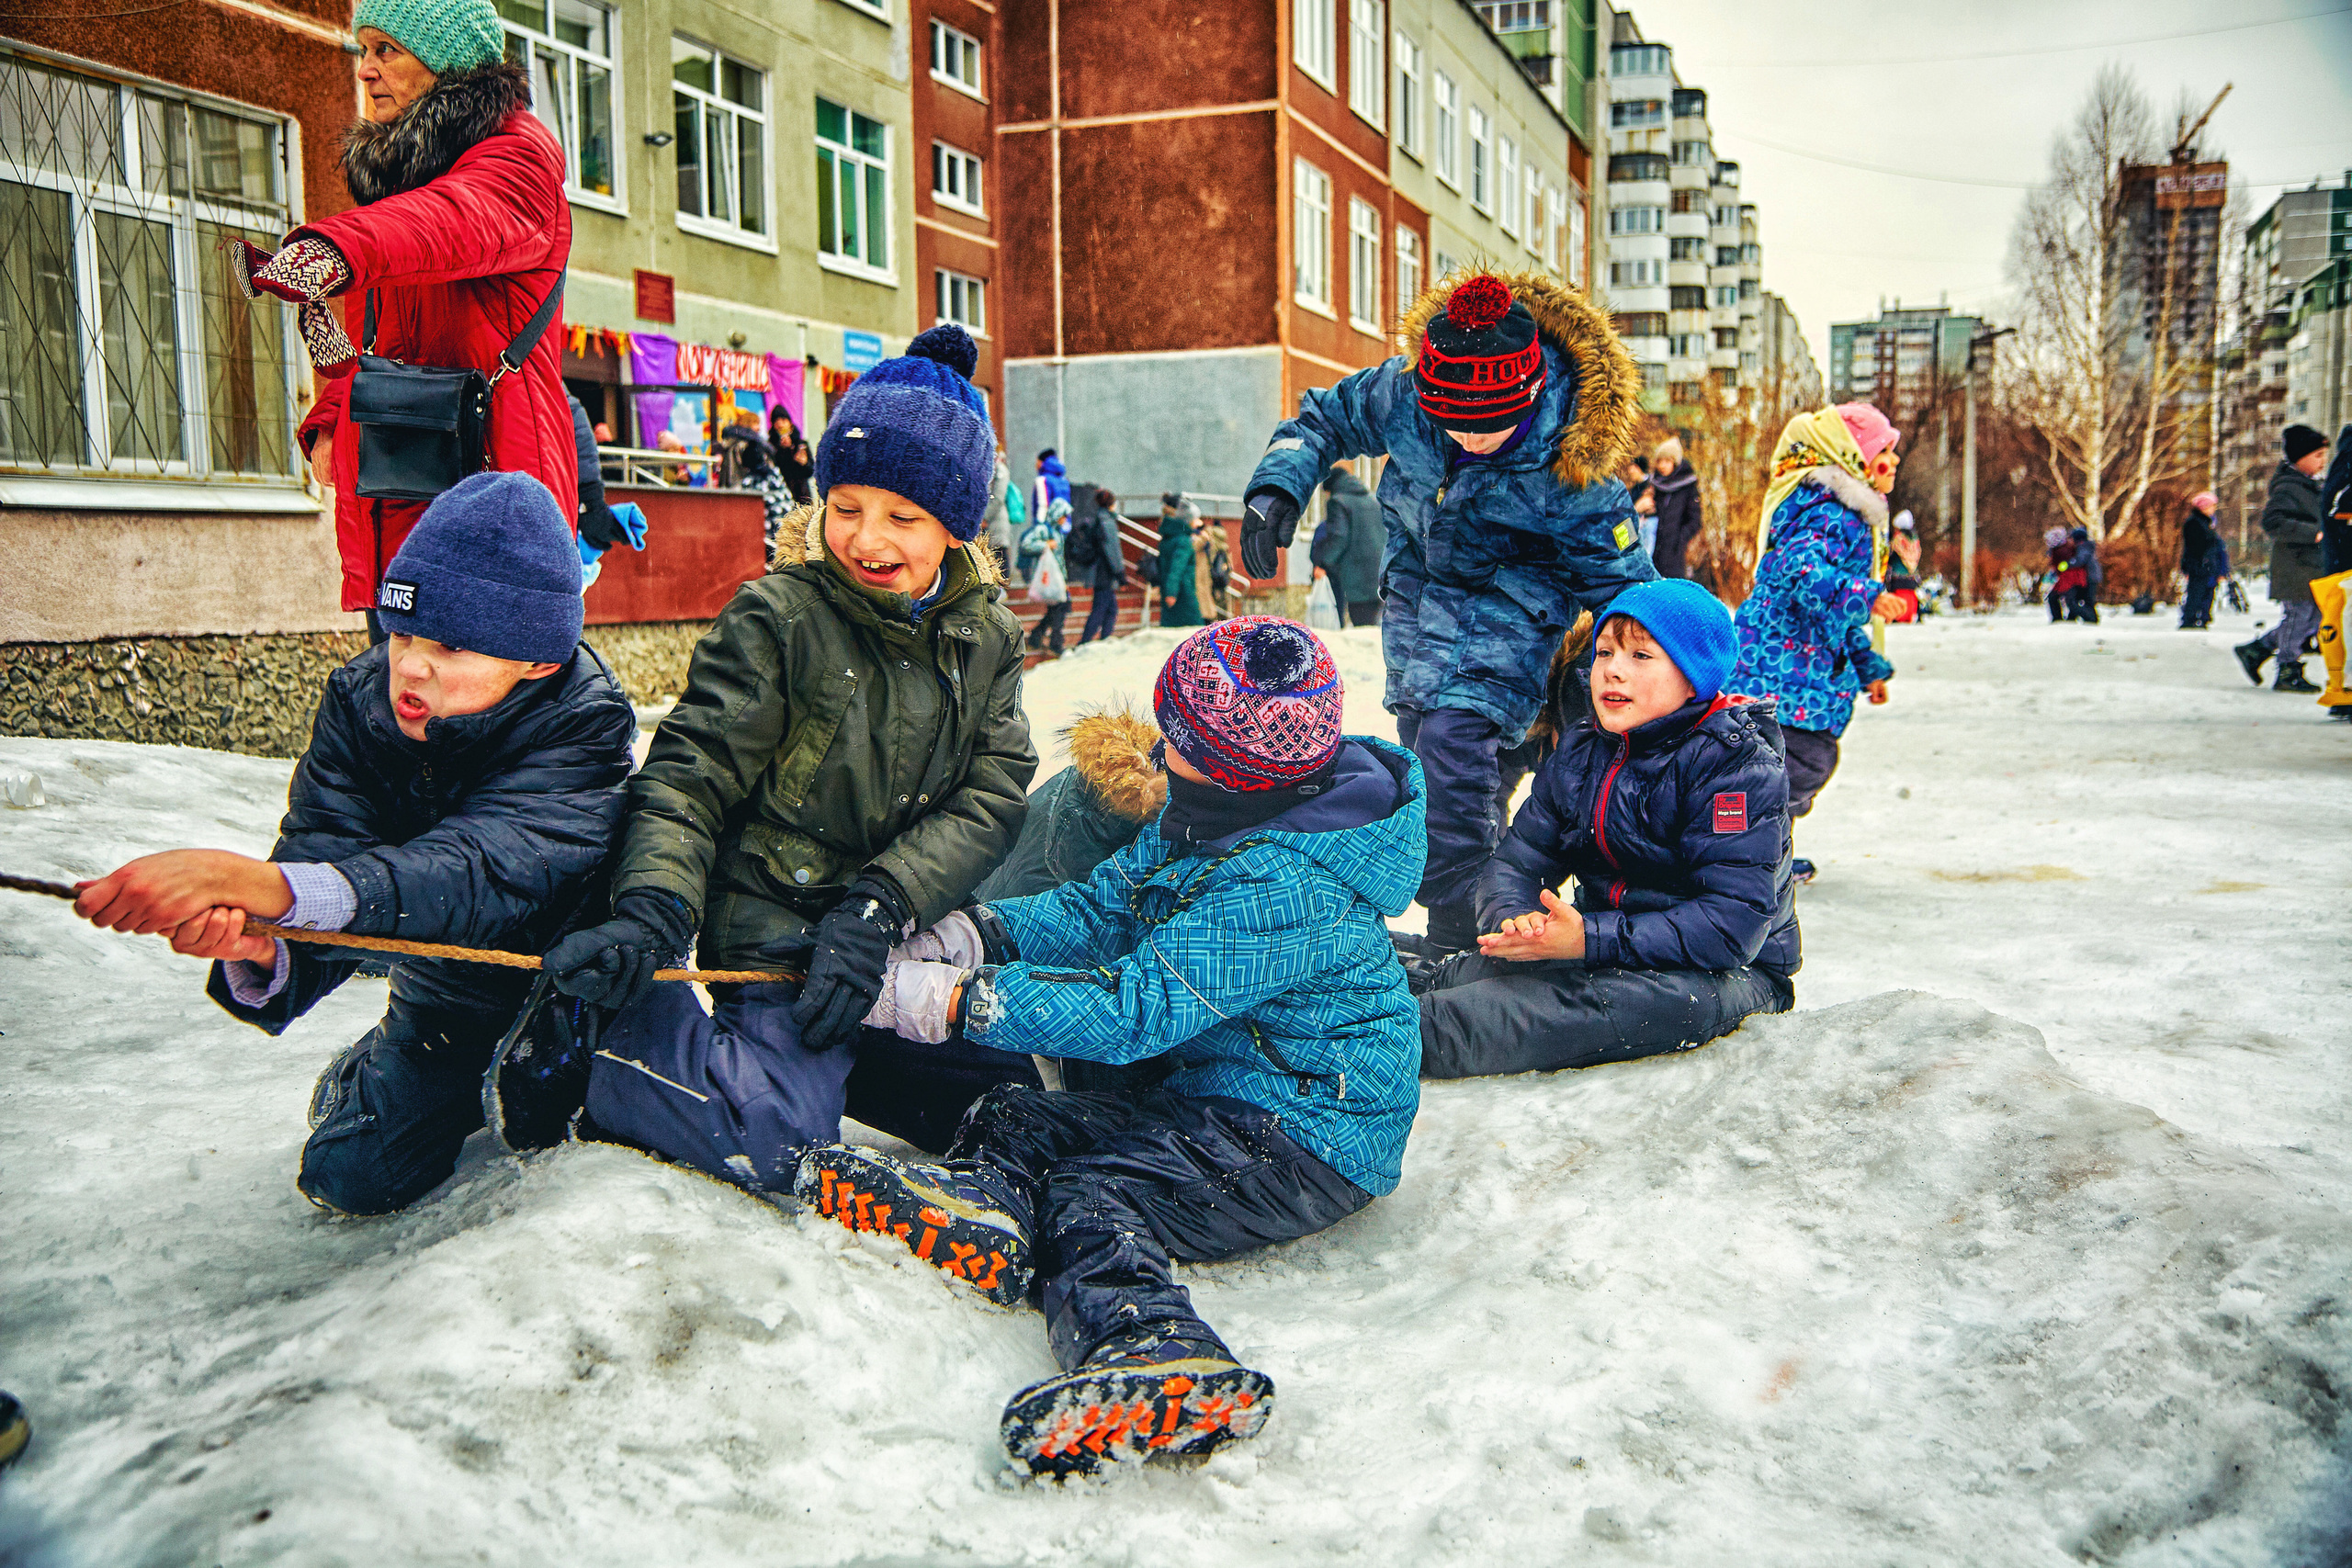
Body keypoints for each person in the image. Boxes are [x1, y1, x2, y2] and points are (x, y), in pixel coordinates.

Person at [788, 618, 1426, 1475]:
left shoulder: (1285, 882)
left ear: (1235, 765)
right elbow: (1097, 911)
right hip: (1221, 1093)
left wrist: (957, 1002)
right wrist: (977, 934)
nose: (1158, 746)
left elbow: (1135, 1010)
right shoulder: (1210, 814)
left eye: (1181, 736)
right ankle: (988, 1208)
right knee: (1021, 1115)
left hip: (1312, 1129)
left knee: (1099, 1194)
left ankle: (1159, 1351)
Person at [515, 326, 1041, 1186]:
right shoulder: (779, 619)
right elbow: (691, 776)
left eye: (903, 518)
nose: (868, 539)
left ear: (954, 526)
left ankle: (827, 1063)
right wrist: (653, 911)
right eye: (846, 507)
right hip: (775, 933)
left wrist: (882, 904)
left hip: (885, 941)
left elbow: (993, 792)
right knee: (771, 1138)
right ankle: (605, 1038)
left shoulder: (986, 635)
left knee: (1000, 1103)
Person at [70, 472, 636, 1214]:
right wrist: (265, 944)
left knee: (593, 1153)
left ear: (537, 660)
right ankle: (377, 1069)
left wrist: (267, 889)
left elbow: (483, 868)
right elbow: (321, 848)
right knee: (351, 1177)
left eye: (452, 646)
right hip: (450, 993)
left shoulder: (585, 724)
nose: (411, 665)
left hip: (582, 992)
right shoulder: (360, 705)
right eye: (401, 631)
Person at [1237, 271, 1650, 953]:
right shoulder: (1404, 394)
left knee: (1452, 749)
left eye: (1491, 424)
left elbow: (1627, 589)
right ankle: (1497, 892)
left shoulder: (1573, 468)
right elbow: (1322, 417)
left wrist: (1646, 674)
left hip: (1513, 613)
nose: (1471, 439)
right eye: (1454, 421)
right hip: (1417, 606)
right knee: (1436, 763)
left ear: (1531, 392)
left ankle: (1459, 929)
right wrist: (1280, 484)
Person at [247, 0, 573, 625]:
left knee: (483, 710)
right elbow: (386, 339)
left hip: (493, 496)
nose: (365, 71)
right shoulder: (399, 178)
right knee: (398, 702)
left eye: (386, 51)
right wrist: (332, 419)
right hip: (398, 500)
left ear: (444, 60)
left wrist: (334, 249)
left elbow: (450, 221)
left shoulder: (518, 158)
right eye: (361, 51)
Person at [1417, 580, 1795, 1077]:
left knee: (1609, 1004)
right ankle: (1356, 1004)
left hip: (1725, 973)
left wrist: (1588, 940)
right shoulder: (1582, 749)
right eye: (1604, 652)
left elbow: (1731, 926)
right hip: (1605, 945)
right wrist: (1516, 918)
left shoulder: (1735, 768)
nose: (1613, 669)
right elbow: (1516, 862)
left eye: (1641, 655)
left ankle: (1395, 1041)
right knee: (1467, 973)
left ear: (1693, 679)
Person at [1724, 402, 1906, 884]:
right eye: (1885, 452)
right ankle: (1743, 859)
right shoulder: (1827, 510)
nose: (1894, 463)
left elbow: (1831, 618)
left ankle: (1761, 855)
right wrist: (1867, 595)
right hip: (1780, 670)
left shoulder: (1850, 515)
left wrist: (1869, 668)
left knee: (1792, 767)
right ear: (1855, 458)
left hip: (1803, 674)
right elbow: (1799, 573)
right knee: (1794, 766)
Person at [2235, 425, 2328, 694]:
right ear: (2300, 457)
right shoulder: (2289, 487)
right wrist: (2314, 533)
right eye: (2318, 455)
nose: (2322, 461)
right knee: (2299, 617)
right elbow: (2272, 521)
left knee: (2311, 619)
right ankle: (2287, 669)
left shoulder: (2309, 486)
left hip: (2310, 565)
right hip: (2295, 565)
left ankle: (2256, 650)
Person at [1311, 464, 1385, 626]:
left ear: (1330, 488)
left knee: (1363, 628)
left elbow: (1339, 537)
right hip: (1379, 576)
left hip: (1357, 578)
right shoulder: (1373, 501)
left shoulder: (1338, 502)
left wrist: (1324, 564)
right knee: (1374, 629)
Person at [1073, 487, 1129, 646]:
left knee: (1110, 610)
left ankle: (1105, 641)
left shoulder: (1099, 519)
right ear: (1111, 504)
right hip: (1105, 572)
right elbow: (1113, 551)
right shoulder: (1107, 522)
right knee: (1100, 610)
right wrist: (1121, 574)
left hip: (1100, 571)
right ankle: (1084, 643)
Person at [1646, 436, 1702, 580]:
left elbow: (1695, 520)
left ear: (1675, 462)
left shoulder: (1687, 486)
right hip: (1653, 550)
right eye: (1659, 461)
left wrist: (1680, 539)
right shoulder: (1654, 484)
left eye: (1667, 461)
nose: (1662, 465)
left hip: (1674, 554)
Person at [1024, 498, 1073, 654]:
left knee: (1058, 608)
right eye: (1063, 515)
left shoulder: (1058, 533)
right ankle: (1055, 643)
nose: (1064, 519)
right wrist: (1045, 545)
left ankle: (1037, 636)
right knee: (1059, 608)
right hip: (1047, 577)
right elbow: (1026, 544)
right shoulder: (1043, 530)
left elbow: (1060, 560)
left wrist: (1064, 580)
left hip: (1056, 578)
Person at [1157, 493, 1205, 626]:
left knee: (1170, 629)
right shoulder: (1183, 541)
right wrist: (1172, 592)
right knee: (1195, 630)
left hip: (1169, 588)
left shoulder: (1168, 536)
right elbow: (1176, 568)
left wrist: (1169, 591)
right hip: (1183, 591)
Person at [2178, 491, 2225, 629]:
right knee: (2196, 593)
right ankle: (2190, 618)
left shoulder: (2207, 523)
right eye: (2211, 506)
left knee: (2207, 593)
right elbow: (2193, 547)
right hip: (2199, 566)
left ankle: (2201, 617)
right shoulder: (2195, 523)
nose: (2214, 509)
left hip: (2207, 565)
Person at [769, 407, 816, 504]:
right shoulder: (771, 446)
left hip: (802, 496)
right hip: (781, 496)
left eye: (783, 420)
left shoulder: (801, 444)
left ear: (790, 423)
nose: (780, 425)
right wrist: (784, 450)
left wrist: (805, 463)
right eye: (776, 421)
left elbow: (811, 471)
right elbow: (776, 469)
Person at [982, 449, 1015, 576]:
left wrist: (985, 518)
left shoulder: (1000, 469)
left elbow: (998, 498)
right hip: (989, 522)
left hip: (996, 522)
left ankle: (1003, 588)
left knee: (999, 554)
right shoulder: (988, 467)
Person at [1031, 448, 1071, 528]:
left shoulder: (1043, 480)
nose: (1035, 465)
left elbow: (1043, 504)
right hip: (1064, 525)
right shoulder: (1063, 480)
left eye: (1037, 462)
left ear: (1041, 462)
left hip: (1048, 527)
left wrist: (1039, 526)